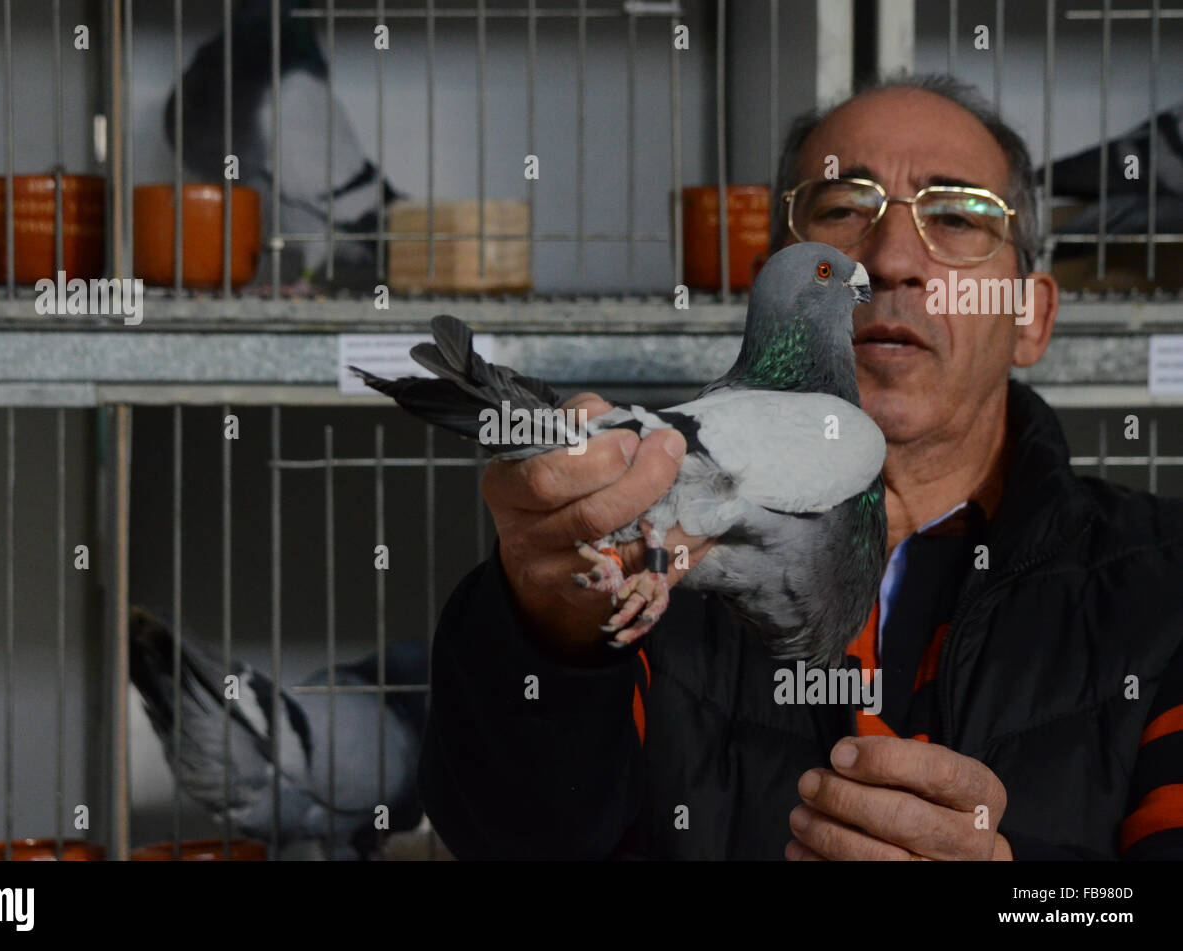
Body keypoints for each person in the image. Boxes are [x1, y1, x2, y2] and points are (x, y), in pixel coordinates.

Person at [416, 74, 1183, 860]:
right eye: (843, 211)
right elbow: (514, 839)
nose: (890, 259)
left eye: (956, 217)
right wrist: (542, 631)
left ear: (1032, 316)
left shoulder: (1164, 588)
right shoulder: (636, 543)